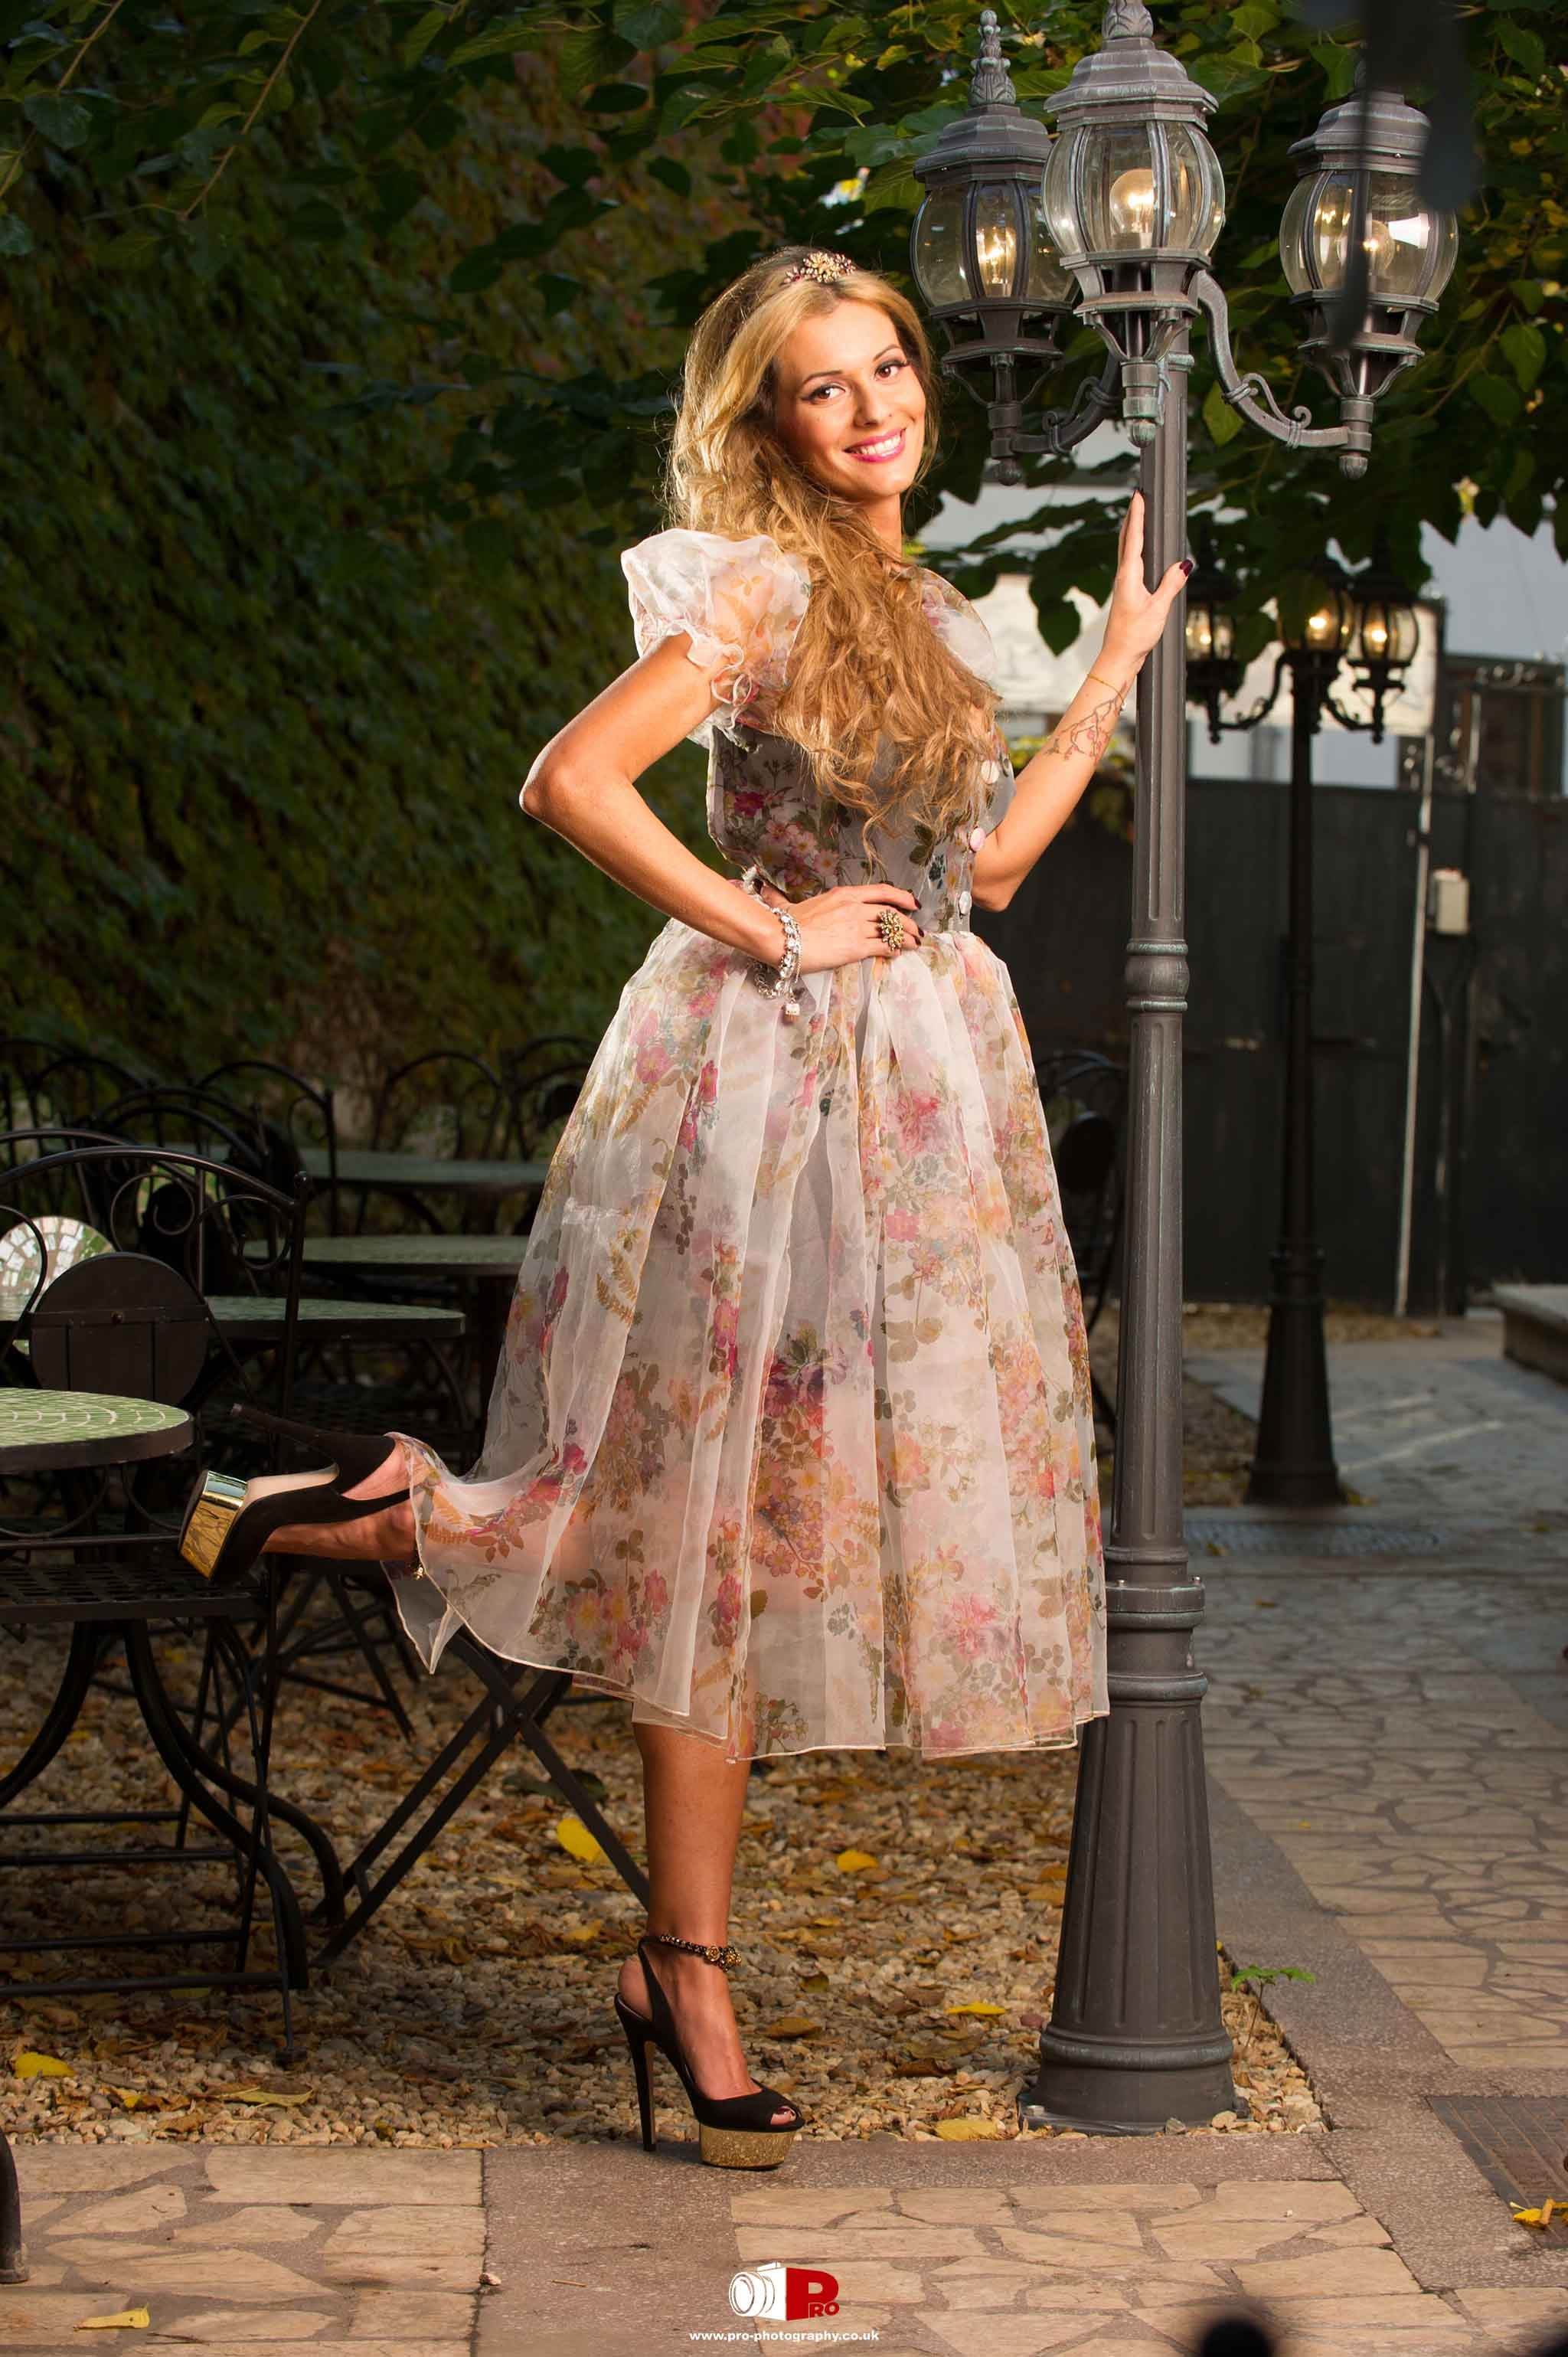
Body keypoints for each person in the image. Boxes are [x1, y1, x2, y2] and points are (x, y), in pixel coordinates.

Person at [180, 244, 1191, 2169]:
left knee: (759, 1523)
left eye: (890, 364)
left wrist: (1111, 680)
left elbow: (975, 873)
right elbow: (574, 778)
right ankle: (683, 1962)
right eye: (829, 384)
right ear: (770, 423)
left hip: (920, 1099)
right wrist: (768, 925)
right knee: (701, 1524)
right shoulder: (754, 588)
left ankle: (365, 1510)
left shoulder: (926, 605)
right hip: (764, 1093)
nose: (879, 401)